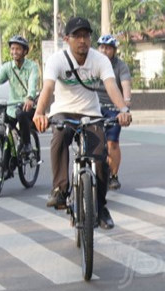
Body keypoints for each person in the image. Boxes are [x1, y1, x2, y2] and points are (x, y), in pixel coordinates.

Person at [33, 17, 132, 230]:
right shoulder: (56, 60)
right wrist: (40, 112)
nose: (82, 41)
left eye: (86, 35)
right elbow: (48, 88)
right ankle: (59, 190)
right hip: (63, 112)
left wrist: (123, 109)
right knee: (59, 138)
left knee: (101, 160)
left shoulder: (99, 60)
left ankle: (101, 206)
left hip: (91, 114)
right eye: (77, 36)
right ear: (66, 39)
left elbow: (111, 86)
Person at [0, 35, 39, 157]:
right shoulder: (7, 67)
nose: (14, 52)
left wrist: (30, 97)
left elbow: (32, 83)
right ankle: (7, 159)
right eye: (12, 49)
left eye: (18, 49)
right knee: (1, 128)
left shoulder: (32, 67)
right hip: (12, 107)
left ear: (25, 51)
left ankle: (27, 144)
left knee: (21, 113)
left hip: (28, 106)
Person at [96, 34, 131, 191]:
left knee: (112, 143)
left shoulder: (120, 66)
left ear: (114, 50)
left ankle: (113, 176)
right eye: (102, 47)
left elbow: (125, 86)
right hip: (94, 107)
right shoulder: (91, 63)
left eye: (108, 48)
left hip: (113, 109)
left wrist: (125, 105)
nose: (104, 51)